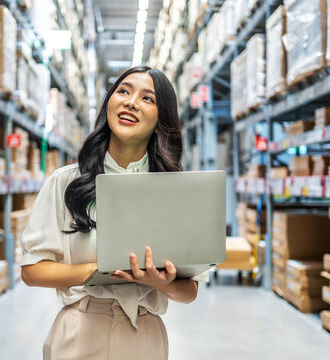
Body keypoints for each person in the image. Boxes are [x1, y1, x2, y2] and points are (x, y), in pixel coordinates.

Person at [20, 66, 201, 360]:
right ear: (109, 103)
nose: (130, 102)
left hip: (144, 337)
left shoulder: (173, 191)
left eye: (148, 98)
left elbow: (190, 291)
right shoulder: (66, 182)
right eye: (124, 91)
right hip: (79, 332)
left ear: (161, 119)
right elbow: (32, 270)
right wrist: (97, 272)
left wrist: (160, 282)